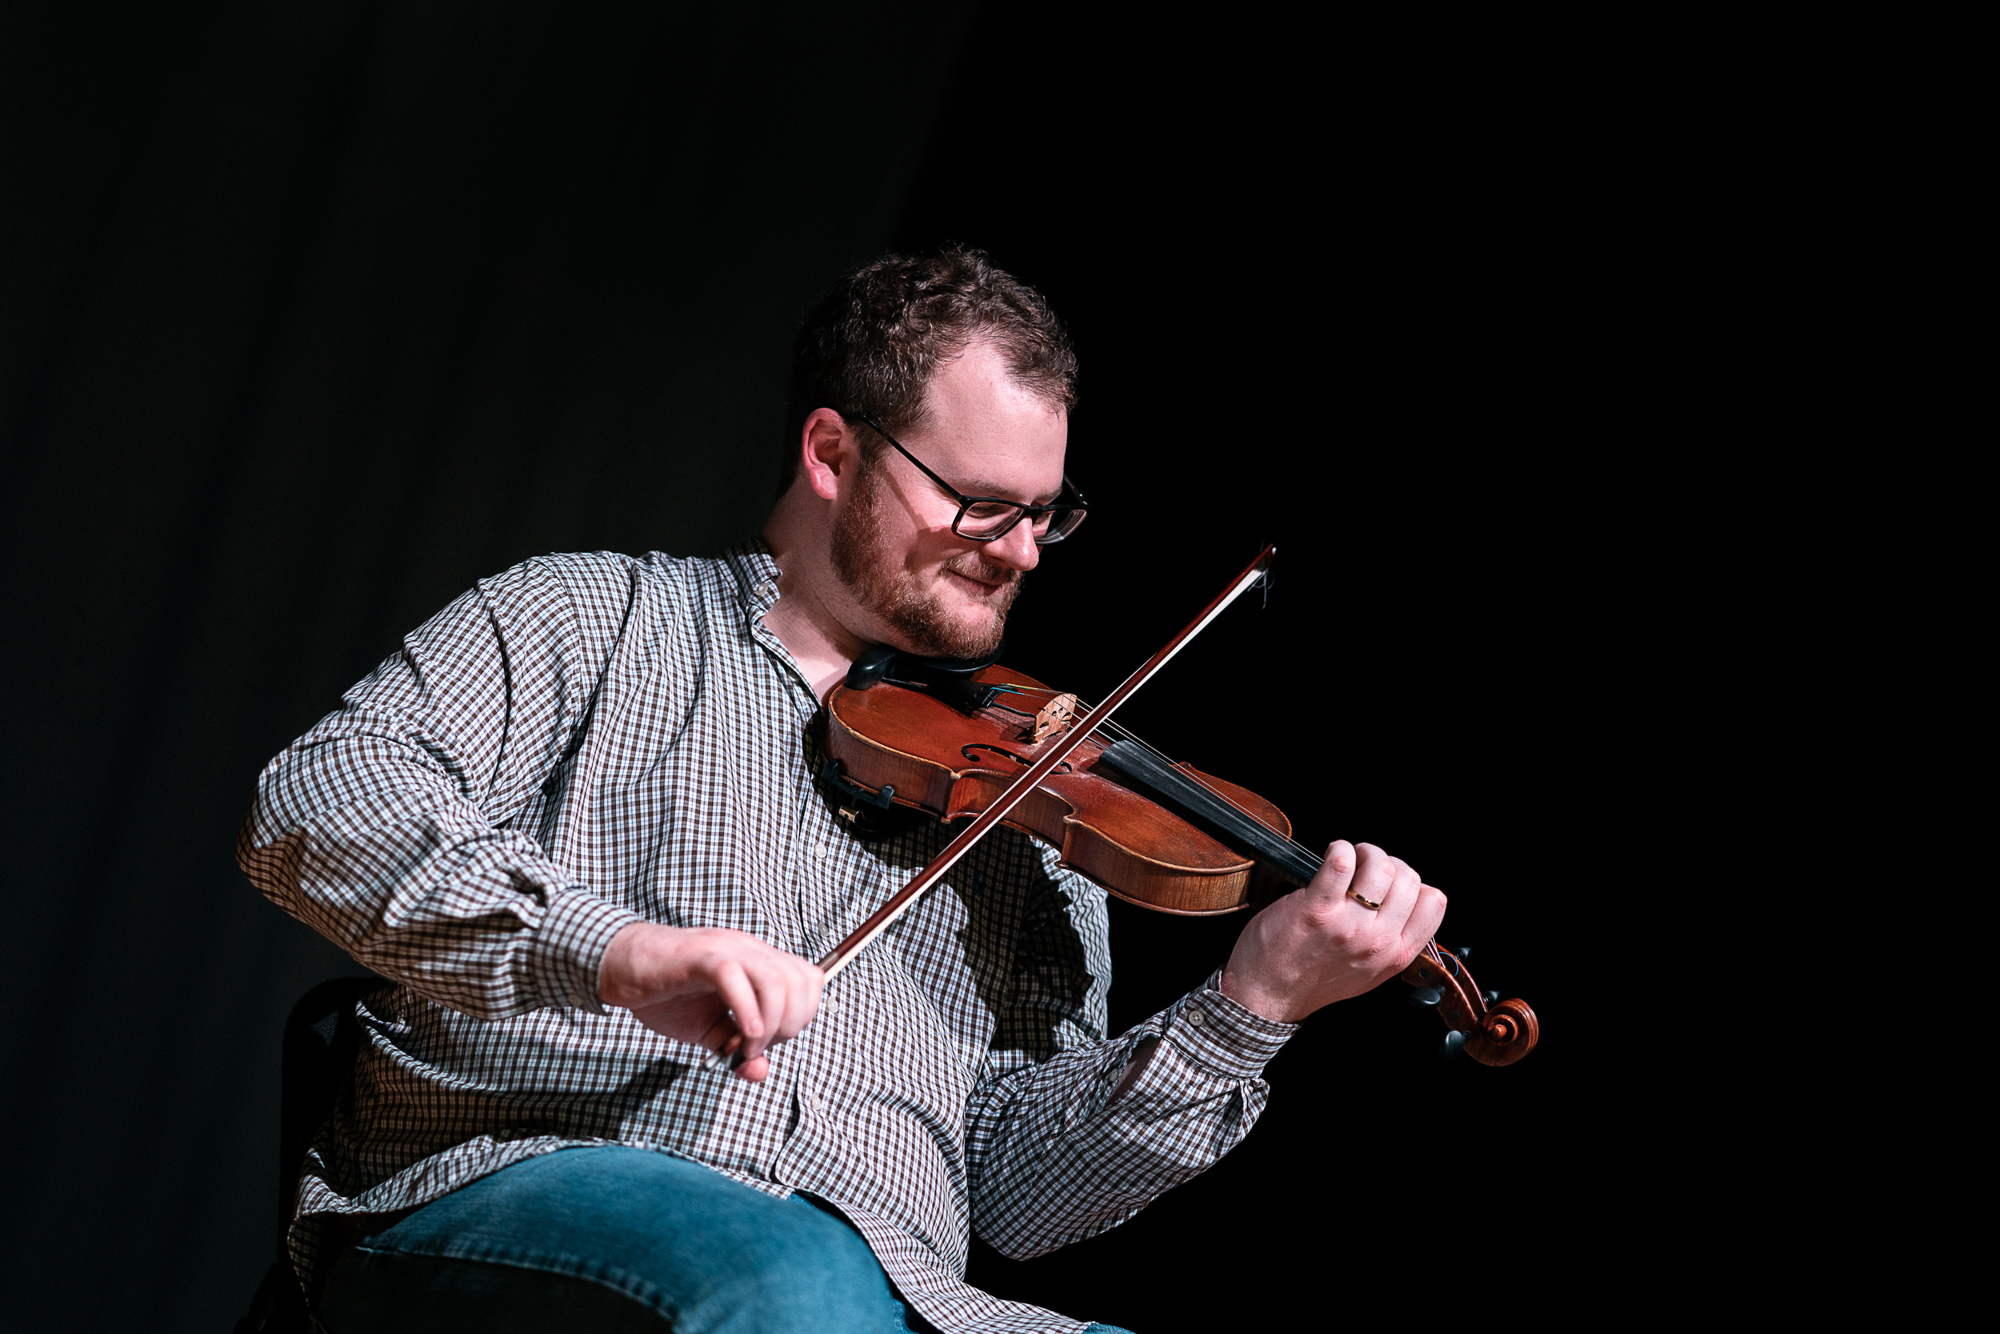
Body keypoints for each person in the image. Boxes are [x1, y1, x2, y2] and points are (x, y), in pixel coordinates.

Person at [240, 247, 1446, 1334]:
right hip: (533, 1188)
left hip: (892, 1284)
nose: (1020, 550)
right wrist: (623, 952)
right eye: (978, 502)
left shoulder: (1030, 800)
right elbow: (318, 803)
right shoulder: (591, 618)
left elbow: (1020, 1193)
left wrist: (1250, 1004)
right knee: (789, 1286)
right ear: (830, 452)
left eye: (1044, 513)